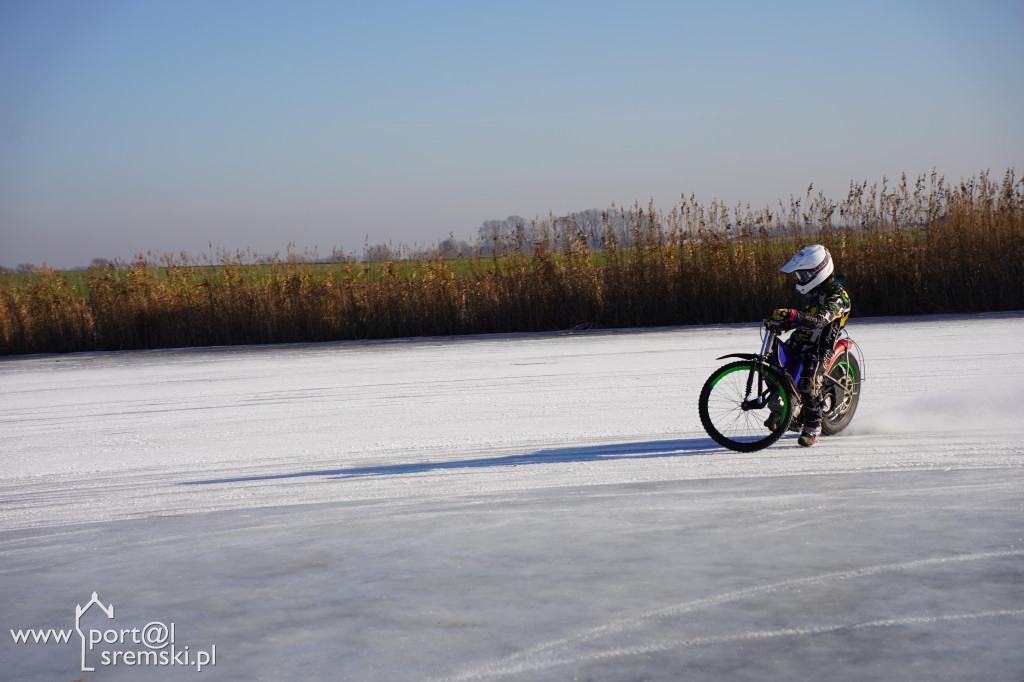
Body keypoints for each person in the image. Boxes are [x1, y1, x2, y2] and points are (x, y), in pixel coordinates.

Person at [765, 244, 851, 447]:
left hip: (820, 348)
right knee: (771, 368)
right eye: (800, 276)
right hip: (800, 341)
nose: (801, 280)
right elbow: (804, 320)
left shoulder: (838, 296)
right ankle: (783, 411)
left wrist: (793, 314)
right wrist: (784, 323)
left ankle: (813, 426)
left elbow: (821, 319)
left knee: (807, 384)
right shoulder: (815, 292)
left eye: (805, 275)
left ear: (819, 272)